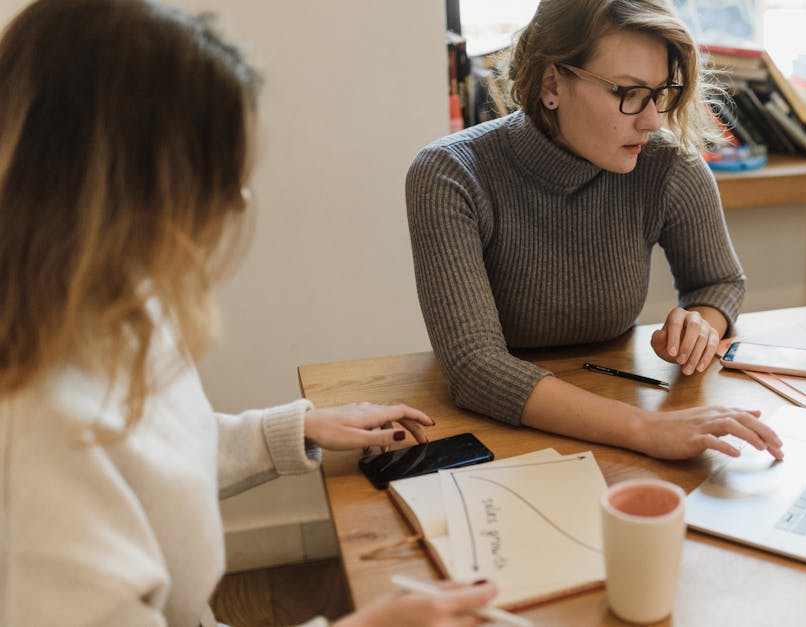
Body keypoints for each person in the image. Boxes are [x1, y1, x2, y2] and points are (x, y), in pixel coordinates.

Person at [0, 1, 496, 625]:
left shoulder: (118, 304)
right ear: (116, 185)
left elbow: (150, 467)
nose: (236, 199)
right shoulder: (31, 447)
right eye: (214, 170)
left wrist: (290, 431)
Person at [406, 0, 784, 461]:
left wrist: (700, 325)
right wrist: (647, 429)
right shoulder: (450, 174)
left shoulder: (667, 166)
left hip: (614, 397)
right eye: (627, 92)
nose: (652, 121)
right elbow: (475, 368)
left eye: (660, 93)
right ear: (551, 84)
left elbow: (718, 282)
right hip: (497, 433)